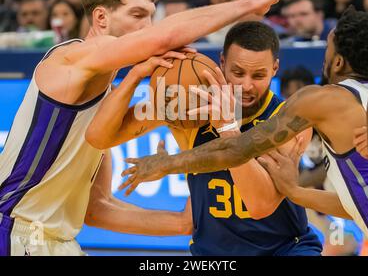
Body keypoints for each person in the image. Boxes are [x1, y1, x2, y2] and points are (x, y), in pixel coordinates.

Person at [0, 0, 314, 256]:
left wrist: (185, 223)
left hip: (57, 240)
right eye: (137, 15)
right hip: (16, 227)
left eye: (151, 17)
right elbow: (163, 36)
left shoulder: (109, 94)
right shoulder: (70, 58)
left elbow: (95, 205)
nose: (147, 28)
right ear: (100, 18)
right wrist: (251, 4)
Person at [122, 7, 368, 245]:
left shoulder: (321, 100)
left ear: (339, 62)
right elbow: (355, 205)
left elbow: (237, 150)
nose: (246, 85)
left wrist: (167, 164)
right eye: (239, 73)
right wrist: (295, 192)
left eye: (328, 50)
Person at [87, 21, 322, 256]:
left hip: (286, 249)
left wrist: (228, 127)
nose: (247, 85)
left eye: (259, 75)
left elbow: (260, 205)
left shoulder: (290, 119)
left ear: (275, 68)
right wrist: (136, 74)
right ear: (222, 63)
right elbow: (100, 138)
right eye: (237, 73)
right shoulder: (190, 110)